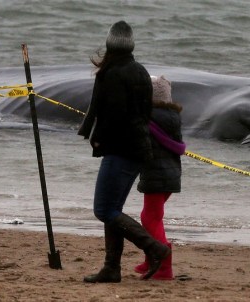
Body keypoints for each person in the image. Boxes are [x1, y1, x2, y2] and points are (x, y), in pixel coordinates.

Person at [77, 20, 171, 283]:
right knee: (113, 209)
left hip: (120, 149)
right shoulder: (140, 71)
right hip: (138, 149)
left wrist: (97, 140)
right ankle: (111, 268)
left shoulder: (112, 73)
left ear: (109, 44)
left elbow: (114, 116)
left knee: (104, 210)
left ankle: (155, 248)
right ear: (131, 45)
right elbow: (143, 114)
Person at [133, 75, 185, 280]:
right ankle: (151, 259)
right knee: (153, 217)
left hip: (156, 174)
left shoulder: (149, 117)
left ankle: (164, 265)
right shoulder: (172, 116)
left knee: (149, 218)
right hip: (171, 174)